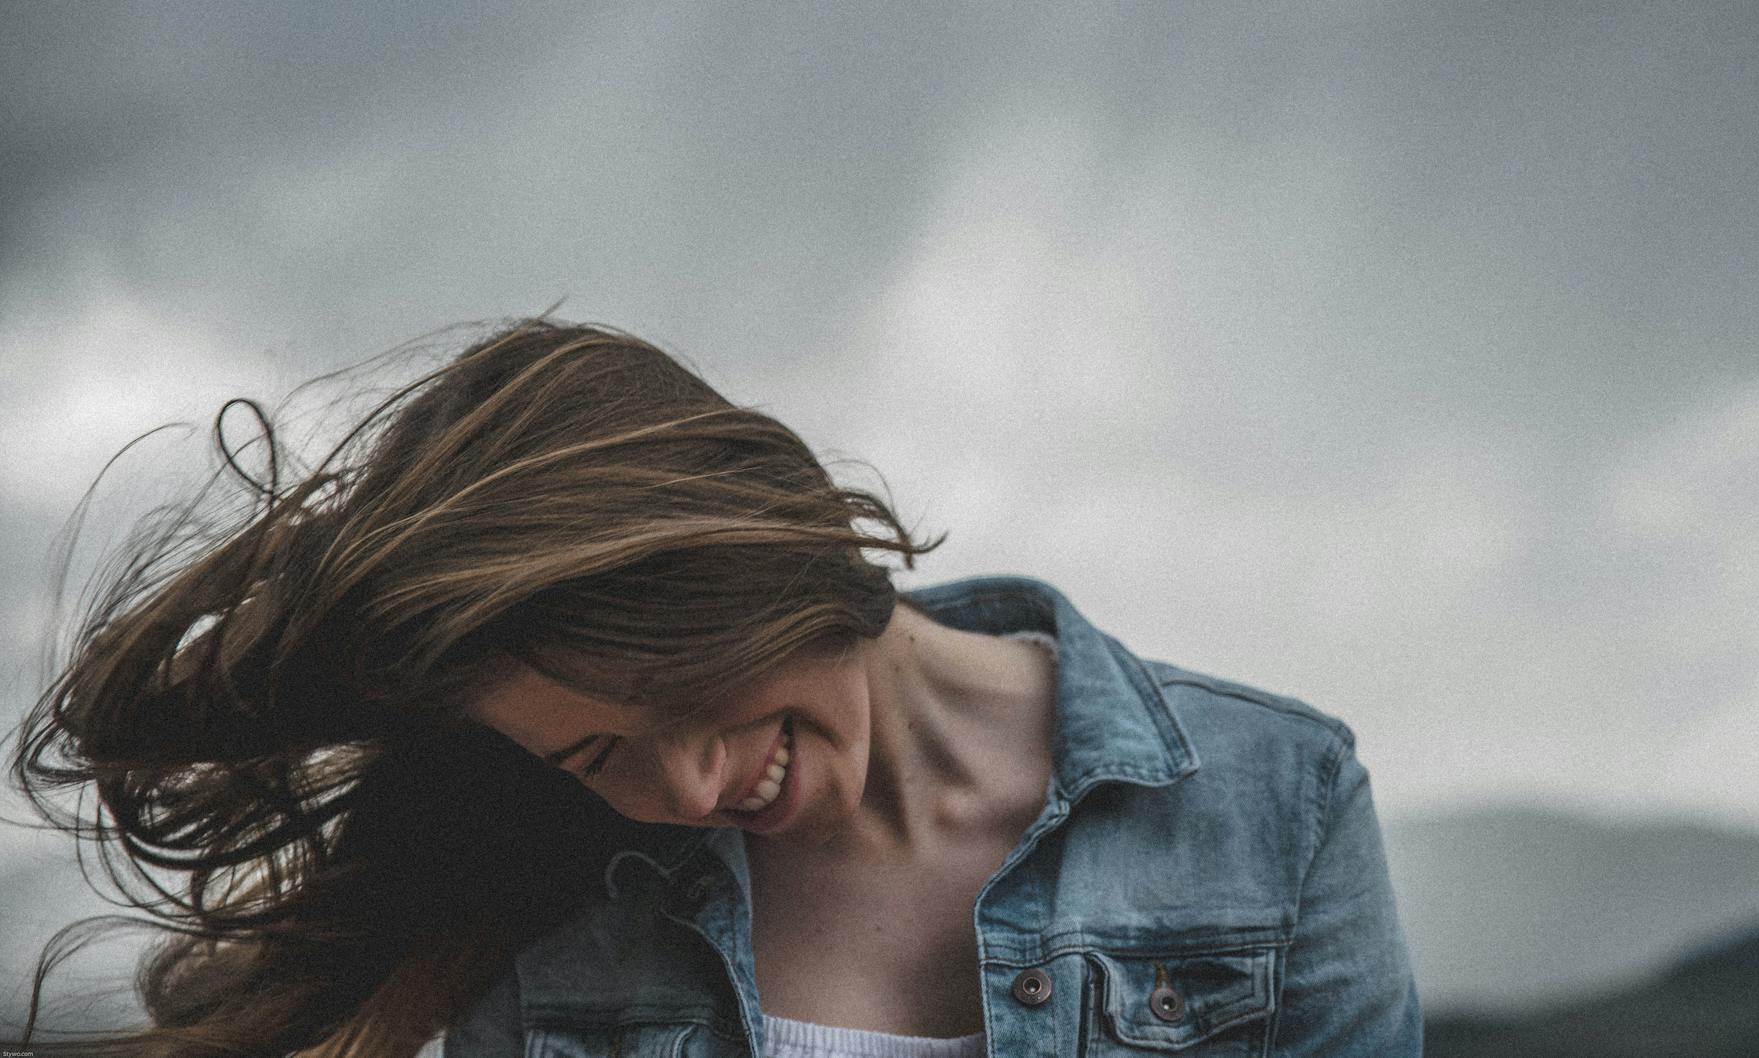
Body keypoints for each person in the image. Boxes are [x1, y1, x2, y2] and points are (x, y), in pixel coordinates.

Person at [7, 318, 1422, 1058]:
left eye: (668, 695)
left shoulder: (1268, 807)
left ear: (742, 556)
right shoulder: (556, 901)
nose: (680, 790)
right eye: (590, 758)